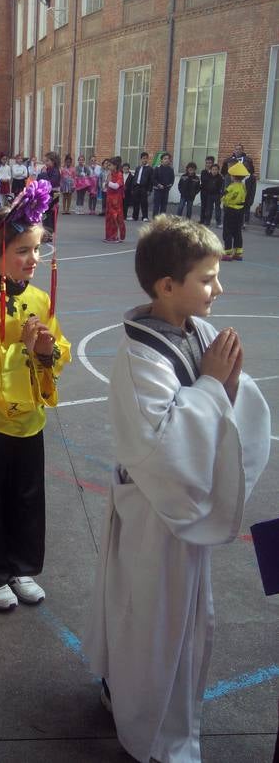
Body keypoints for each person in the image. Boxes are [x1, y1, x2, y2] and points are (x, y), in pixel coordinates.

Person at [83, 216, 270, 763]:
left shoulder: (199, 331)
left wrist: (226, 386)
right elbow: (160, 448)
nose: (219, 289)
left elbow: (230, 400)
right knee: (155, 619)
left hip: (174, 513)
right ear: (168, 286)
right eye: (208, 278)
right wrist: (213, 386)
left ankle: (126, 689)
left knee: (162, 613)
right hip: (156, 516)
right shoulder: (142, 357)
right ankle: (158, 733)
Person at [0, 182, 71, 611]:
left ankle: (20, 565)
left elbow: (59, 350)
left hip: (29, 420)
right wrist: (20, 350)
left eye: (37, 249)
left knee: (27, 496)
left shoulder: (41, 299)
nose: (33, 259)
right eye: (23, 250)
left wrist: (47, 353)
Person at [221, 162, 247, 261]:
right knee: (237, 231)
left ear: (234, 176)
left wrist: (223, 200)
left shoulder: (231, 187)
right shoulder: (243, 186)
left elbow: (226, 197)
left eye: (231, 175)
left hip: (230, 210)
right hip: (240, 211)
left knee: (227, 231)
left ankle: (227, 252)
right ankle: (238, 253)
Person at [222, 144, 255, 224]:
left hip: (244, 182)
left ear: (242, 150)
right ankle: (227, 219)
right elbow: (223, 172)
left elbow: (251, 171)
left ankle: (243, 221)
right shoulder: (228, 160)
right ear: (234, 150)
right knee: (230, 198)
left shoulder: (248, 160)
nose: (238, 150)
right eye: (236, 149)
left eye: (239, 149)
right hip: (231, 182)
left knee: (243, 200)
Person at [103, 157, 125, 242]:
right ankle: (109, 236)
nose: (108, 167)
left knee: (116, 217)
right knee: (109, 217)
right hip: (109, 198)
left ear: (115, 166)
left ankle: (116, 236)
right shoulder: (109, 174)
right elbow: (105, 185)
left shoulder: (119, 174)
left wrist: (108, 183)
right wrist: (105, 184)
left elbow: (116, 186)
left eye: (110, 165)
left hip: (116, 199)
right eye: (108, 165)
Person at [132, 151, 153, 221]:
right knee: (135, 202)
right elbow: (135, 177)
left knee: (144, 203)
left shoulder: (150, 169)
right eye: (143, 158)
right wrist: (133, 187)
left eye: (146, 158)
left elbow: (151, 180)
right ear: (141, 159)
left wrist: (149, 190)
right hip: (136, 187)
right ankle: (135, 216)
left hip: (144, 188)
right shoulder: (138, 168)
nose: (145, 160)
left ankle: (145, 217)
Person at [152, 152, 174, 217]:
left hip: (166, 191)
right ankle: (155, 220)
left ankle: (161, 221)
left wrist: (170, 185)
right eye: (165, 159)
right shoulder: (157, 168)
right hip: (158, 190)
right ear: (161, 160)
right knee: (156, 206)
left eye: (168, 159)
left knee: (164, 207)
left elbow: (172, 179)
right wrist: (158, 185)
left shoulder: (170, 169)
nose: (167, 160)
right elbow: (153, 179)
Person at [202, 161, 223, 228]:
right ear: (210, 170)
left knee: (217, 209)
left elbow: (221, 187)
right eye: (213, 169)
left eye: (216, 170)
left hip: (217, 195)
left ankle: (218, 223)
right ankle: (207, 222)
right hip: (209, 195)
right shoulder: (208, 177)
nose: (214, 171)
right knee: (209, 209)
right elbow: (205, 184)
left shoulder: (220, 178)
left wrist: (221, 194)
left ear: (218, 170)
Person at [198, 156, 214, 223]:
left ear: (212, 163)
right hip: (204, 191)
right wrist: (209, 174)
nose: (208, 164)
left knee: (209, 207)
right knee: (203, 206)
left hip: (211, 192)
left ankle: (208, 220)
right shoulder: (203, 171)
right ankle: (202, 220)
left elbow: (213, 181)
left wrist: (210, 173)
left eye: (210, 163)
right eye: (207, 163)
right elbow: (204, 180)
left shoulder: (214, 172)